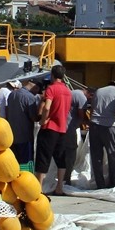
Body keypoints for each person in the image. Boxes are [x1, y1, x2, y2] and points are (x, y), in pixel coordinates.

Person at [35, 65, 72, 195]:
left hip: (50, 127)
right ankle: (59, 187)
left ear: (52, 75)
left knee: (43, 157)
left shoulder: (51, 89)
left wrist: (43, 120)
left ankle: (38, 188)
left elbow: (47, 107)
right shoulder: (68, 91)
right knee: (61, 159)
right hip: (62, 128)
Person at [87, 80, 115, 189]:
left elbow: (92, 108)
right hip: (109, 126)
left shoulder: (98, 91)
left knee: (96, 156)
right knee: (112, 154)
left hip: (94, 125)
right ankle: (112, 183)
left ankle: (100, 183)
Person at [5, 79, 40, 166]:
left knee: (15, 162)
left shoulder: (12, 94)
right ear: (36, 87)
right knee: (26, 164)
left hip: (12, 135)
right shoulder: (30, 97)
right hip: (25, 137)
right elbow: (34, 117)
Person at [61, 83, 90, 186]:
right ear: (89, 94)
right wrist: (89, 123)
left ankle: (61, 177)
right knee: (71, 152)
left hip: (62, 127)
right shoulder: (81, 96)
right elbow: (81, 115)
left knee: (62, 153)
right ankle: (66, 178)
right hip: (69, 128)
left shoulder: (72, 93)